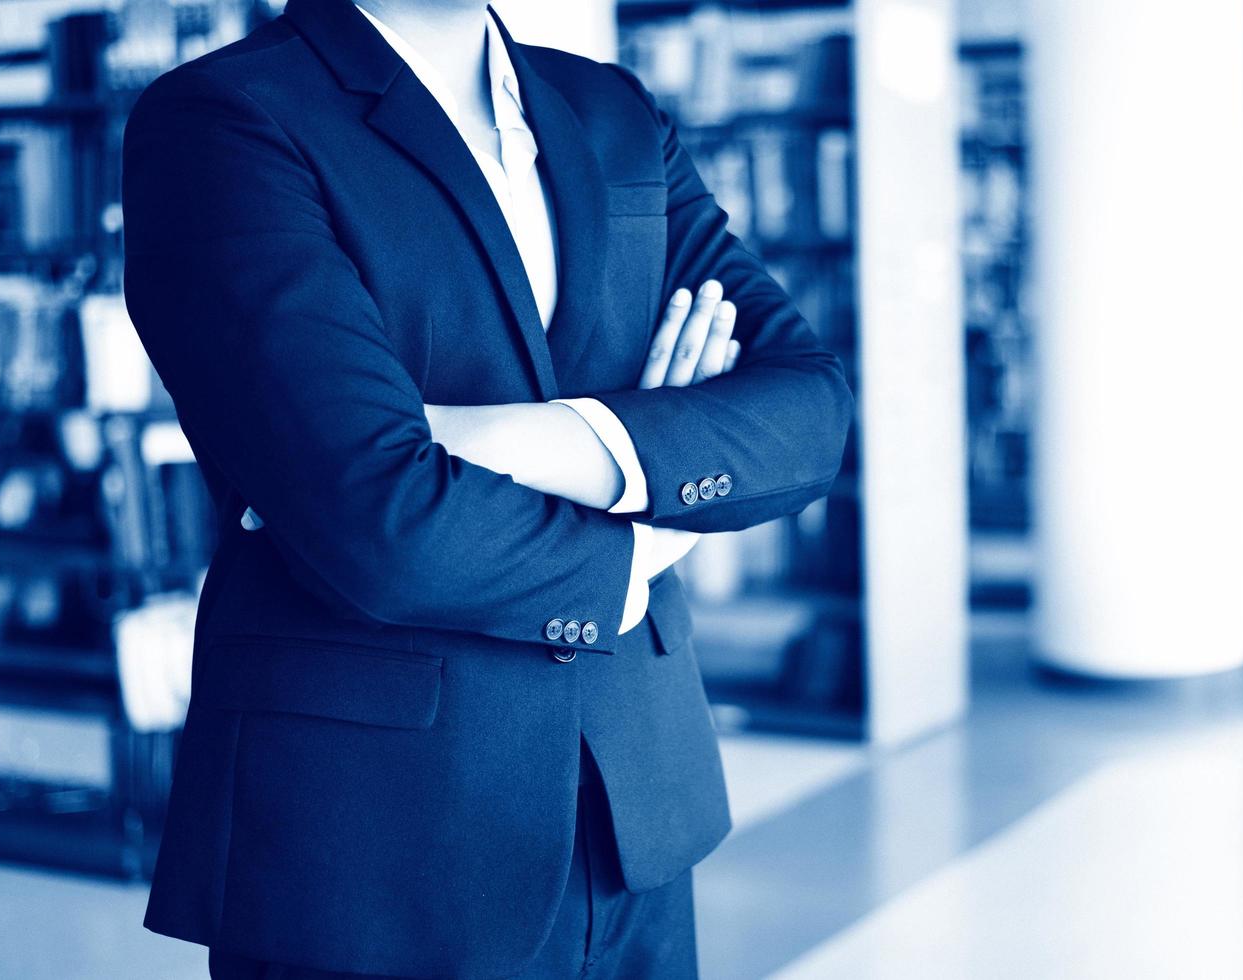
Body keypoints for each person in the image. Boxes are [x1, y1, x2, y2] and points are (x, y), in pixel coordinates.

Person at [119, 0, 854, 974]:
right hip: (377, 844)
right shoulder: (223, 118)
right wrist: (645, 531)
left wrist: (495, 436)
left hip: (634, 807)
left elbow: (807, 409)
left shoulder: (611, 109)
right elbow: (380, 520)